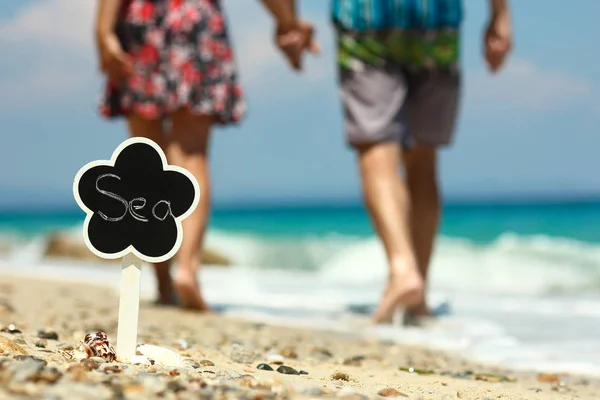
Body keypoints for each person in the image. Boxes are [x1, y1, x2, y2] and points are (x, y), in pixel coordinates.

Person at [259, 0, 513, 324]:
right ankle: (417, 298)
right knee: (423, 158)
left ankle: (403, 268)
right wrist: (499, 16)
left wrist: (288, 21)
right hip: (437, 20)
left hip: (366, 19)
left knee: (376, 148)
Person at [94, 0, 245, 310]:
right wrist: (287, 22)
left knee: (145, 160)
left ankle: (163, 282)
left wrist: (103, 29)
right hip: (196, 20)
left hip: (142, 20)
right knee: (190, 158)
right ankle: (187, 271)